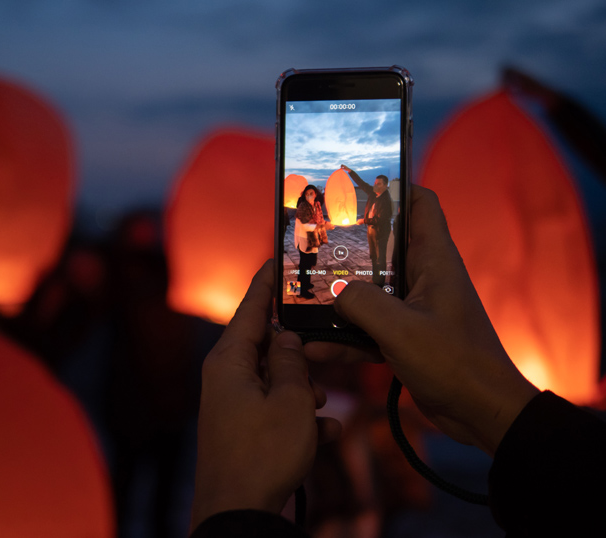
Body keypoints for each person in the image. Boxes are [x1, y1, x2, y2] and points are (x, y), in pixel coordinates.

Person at [190, 186, 606, 537]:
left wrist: (231, 505)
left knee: (362, 492)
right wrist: (497, 408)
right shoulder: (305, 229)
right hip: (334, 394)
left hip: (355, 404)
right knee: (347, 489)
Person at [341, 164, 392, 287]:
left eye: (379, 184)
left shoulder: (386, 200)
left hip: (381, 232)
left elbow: (379, 219)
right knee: (373, 256)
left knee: (380, 258)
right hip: (371, 230)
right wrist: (350, 171)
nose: (375, 185)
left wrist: (363, 221)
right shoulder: (373, 193)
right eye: (375, 183)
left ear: (385, 186)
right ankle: (375, 279)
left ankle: (379, 282)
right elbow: (361, 183)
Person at [294, 185, 327, 300]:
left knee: (310, 263)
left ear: (316, 194)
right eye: (307, 193)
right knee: (304, 265)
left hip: (313, 238)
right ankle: (299, 291)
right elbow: (306, 225)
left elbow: (319, 220)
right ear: (304, 195)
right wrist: (325, 226)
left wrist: (323, 225)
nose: (309, 195)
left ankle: (306, 284)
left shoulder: (316, 205)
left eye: (311, 193)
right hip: (303, 238)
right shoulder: (303, 206)